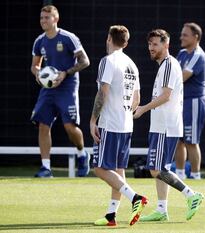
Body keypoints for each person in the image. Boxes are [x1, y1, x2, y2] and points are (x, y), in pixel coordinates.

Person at [133, 29, 204, 222]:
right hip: (161, 126)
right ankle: (162, 210)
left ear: (166, 45)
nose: (151, 48)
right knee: (160, 168)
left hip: (165, 126)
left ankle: (191, 194)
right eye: (149, 44)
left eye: (155, 44)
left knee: (156, 169)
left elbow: (166, 96)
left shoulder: (168, 65)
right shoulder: (166, 65)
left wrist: (142, 109)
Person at [90, 25, 148, 227]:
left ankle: (135, 198)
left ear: (108, 38)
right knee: (118, 170)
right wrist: (125, 113)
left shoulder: (108, 61)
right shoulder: (132, 64)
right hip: (126, 124)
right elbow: (137, 99)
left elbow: (102, 92)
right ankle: (111, 216)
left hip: (110, 123)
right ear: (126, 42)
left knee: (99, 168)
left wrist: (93, 120)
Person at [30, 5, 90, 178]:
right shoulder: (39, 41)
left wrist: (65, 73)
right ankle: (46, 168)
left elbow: (85, 61)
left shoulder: (68, 38)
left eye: (46, 18)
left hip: (67, 87)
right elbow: (34, 65)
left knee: (70, 127)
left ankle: (81, 153)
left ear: (55, 19)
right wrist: (38, 74)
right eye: (41, 18)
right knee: (43, 124)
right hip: (48, 89)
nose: (43, 21)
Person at [174, 22, 205, 180]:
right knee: (178, 140)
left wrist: (166, 85)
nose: (181, 37)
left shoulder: (198, 55)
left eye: (185, 35)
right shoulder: (182, 54)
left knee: (191, 141)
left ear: (196, 37)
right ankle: (180, 175)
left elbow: (181, 77)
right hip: (181, 102)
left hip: (194, 102)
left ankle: (196, 176)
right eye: (182, 34)